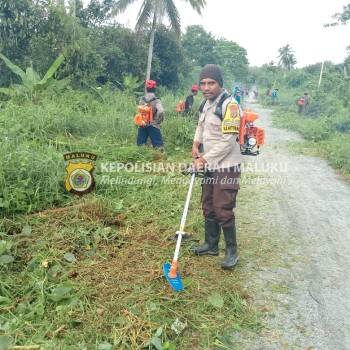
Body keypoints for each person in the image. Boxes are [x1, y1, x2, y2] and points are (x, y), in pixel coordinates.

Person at [191, 64, 243, 270]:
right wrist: (196, 143)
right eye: (202, 83)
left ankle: (232, 251)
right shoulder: (205, 103)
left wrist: (203, 160)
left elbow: (228, 140)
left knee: (222, 207)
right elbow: (201, 126)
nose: (206, 87)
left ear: (220, 83)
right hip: (211, 164)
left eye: (211, 83)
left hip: (227, 165)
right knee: (208, 203)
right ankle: (211, 245)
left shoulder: (230, 106)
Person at [136, 80, 164, 149]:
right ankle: (159, 158)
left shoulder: (141, 99)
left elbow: (140, 111)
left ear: (146, 88)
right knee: (159, 147)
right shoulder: (157, 100)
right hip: (153, 125)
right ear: (155, 88)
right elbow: (161, 111)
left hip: (142, 125)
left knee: (140, 147)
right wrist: (157, 121)